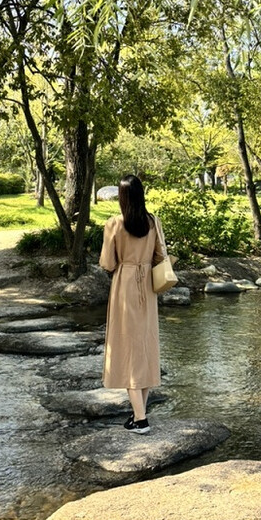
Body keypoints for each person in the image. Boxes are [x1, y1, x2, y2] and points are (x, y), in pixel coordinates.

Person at [99, 173, 167, 434]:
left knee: (127, 347)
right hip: (148, 286)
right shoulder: (153, 221)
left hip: (125, 286)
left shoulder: (115, 223)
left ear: (122, 197)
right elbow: (161, 255)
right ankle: (139, 413)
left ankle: (141, 420)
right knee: (145, 346)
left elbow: (107, 263)